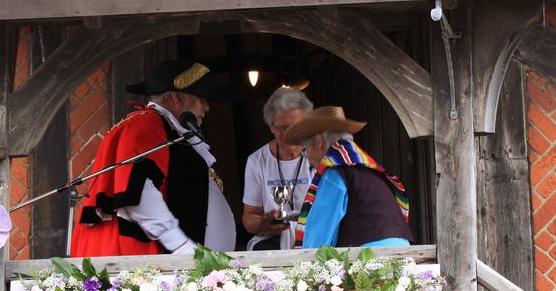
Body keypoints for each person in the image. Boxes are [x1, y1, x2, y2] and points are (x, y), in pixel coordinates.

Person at [70, 59, 236, 257]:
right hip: (138, 258)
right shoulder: (147, 124)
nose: (206, 107)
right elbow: (138, 190)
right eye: (201, 98)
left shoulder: (165, 126)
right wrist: (180, 245)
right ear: (177, 97)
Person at [283, 106, 413, 249]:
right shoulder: (367, 169)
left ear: (319, 141)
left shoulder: (335, 172)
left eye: (305, 148)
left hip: (371, 257)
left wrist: (301, 265)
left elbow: (317, 239)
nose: (306, 156)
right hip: (402, 253)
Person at [242, 87, 314, 250]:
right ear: (271, 126)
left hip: (314, 237)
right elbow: (249, 215)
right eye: (283, 128)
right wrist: (262, 223)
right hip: (273, 241)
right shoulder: (257, 161)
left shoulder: (318, 156)